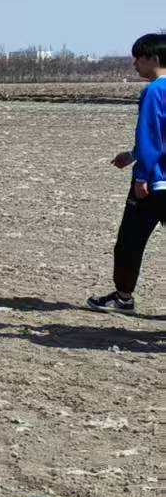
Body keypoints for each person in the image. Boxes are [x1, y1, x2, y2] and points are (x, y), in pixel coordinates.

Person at [89, 31, 166, 313]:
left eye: (138, 58)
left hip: (156, 183)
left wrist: (143, 175)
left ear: (153, 58)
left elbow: (151, 136)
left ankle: (123, 297)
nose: (134, 64)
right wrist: (132, 155)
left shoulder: (154, 91)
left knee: (129, 241)